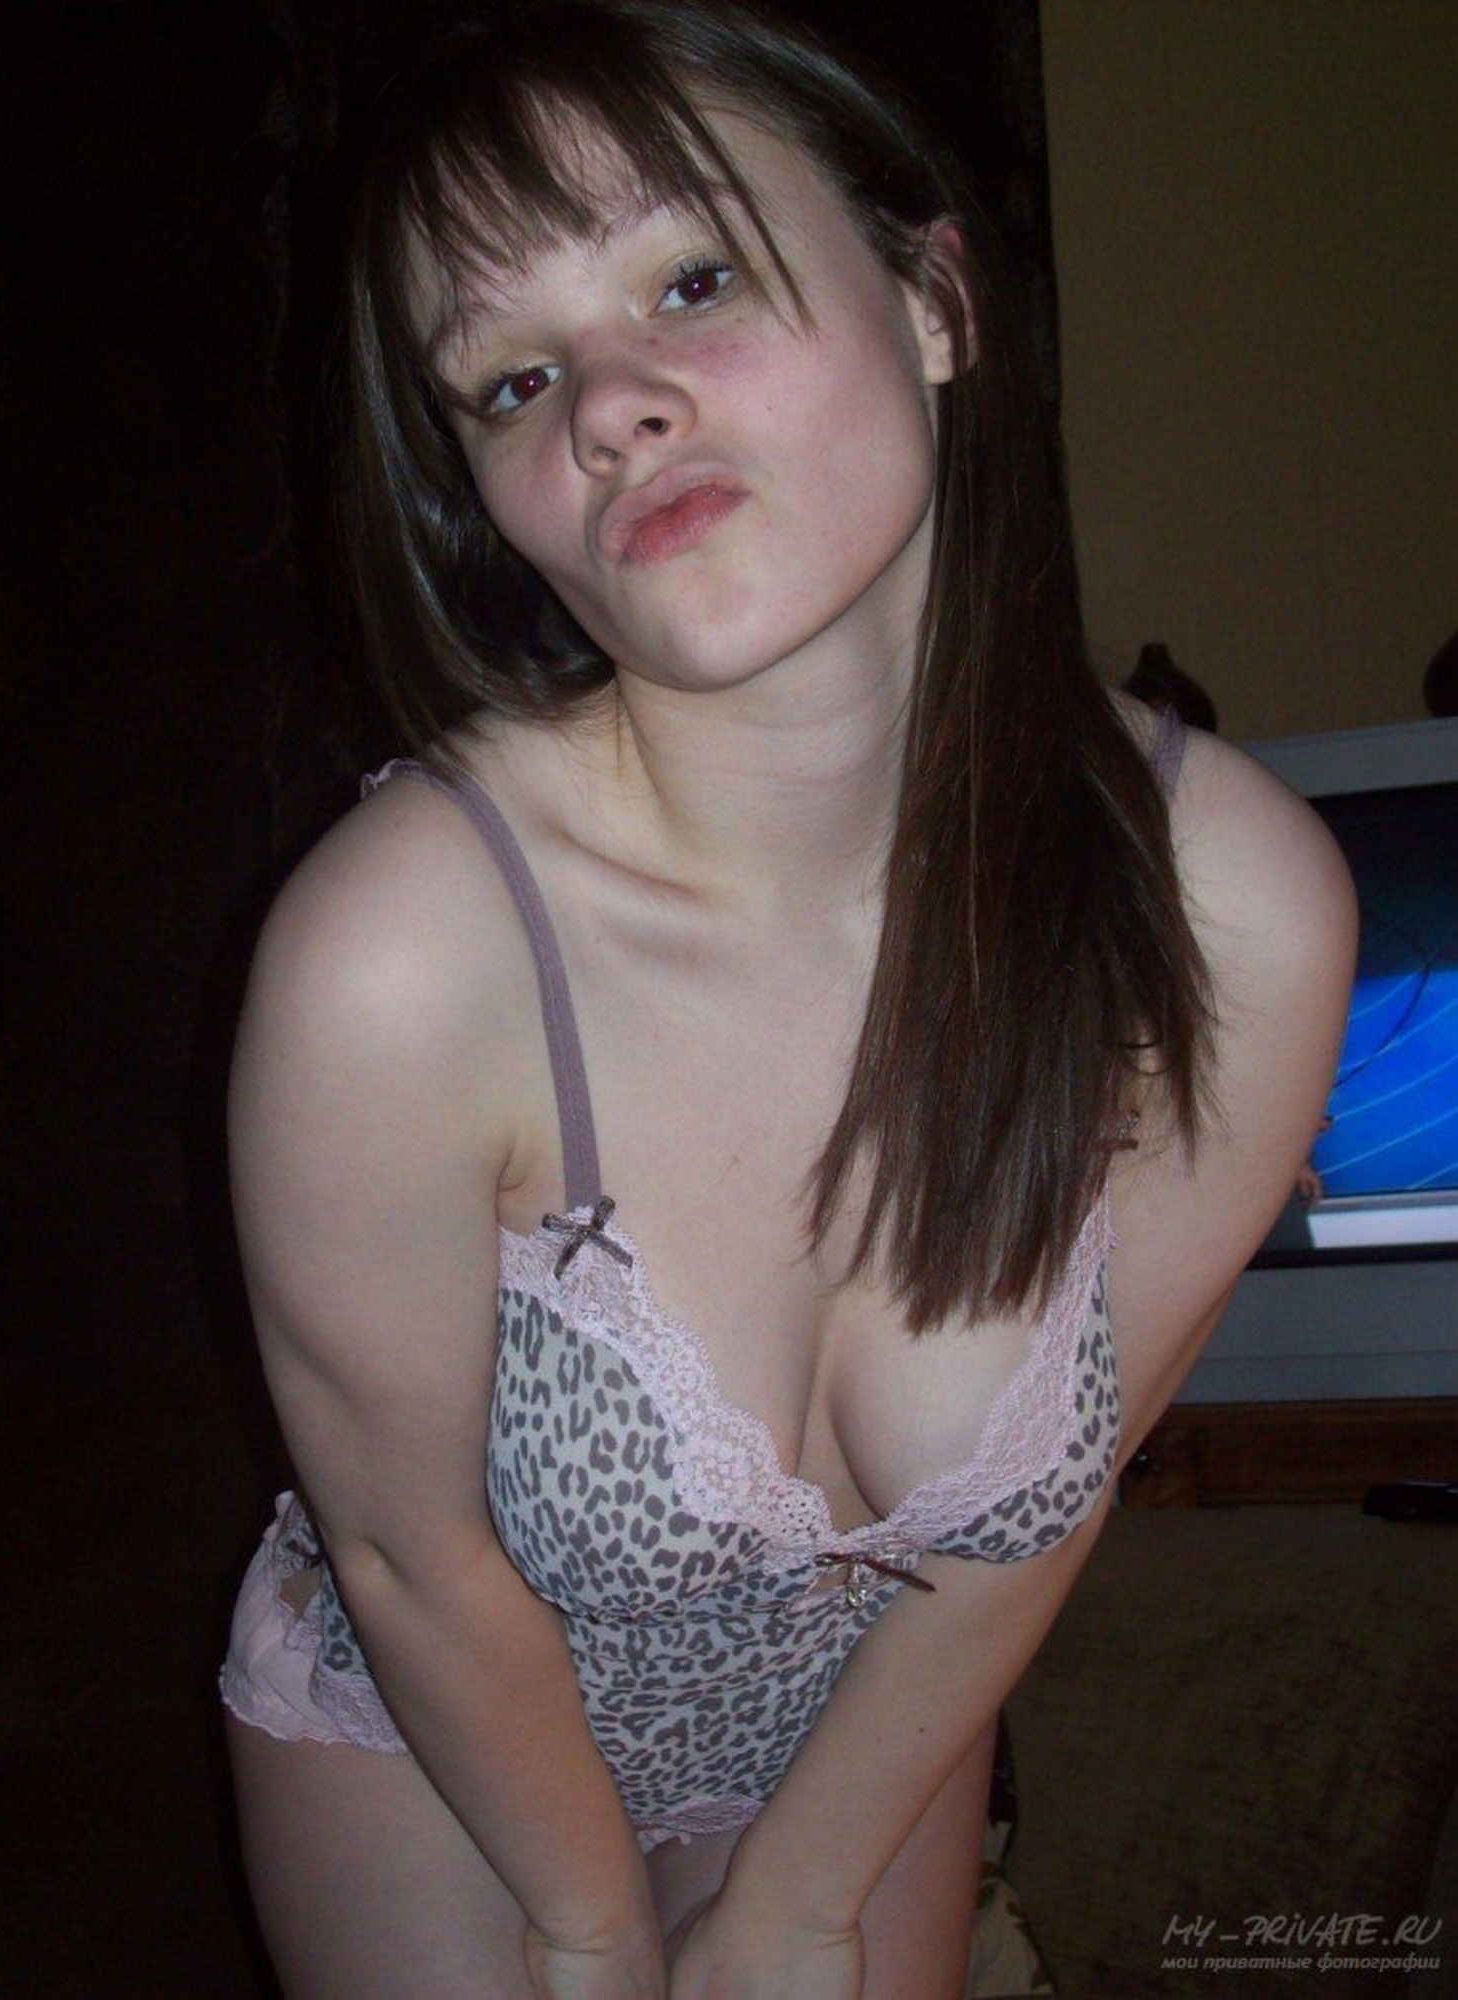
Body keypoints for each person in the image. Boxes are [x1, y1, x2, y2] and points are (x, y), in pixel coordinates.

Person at [218, 3, 1355, 1992]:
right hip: (439, 1746)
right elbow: (409, 1551)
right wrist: (591, 1929)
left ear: (936, 302)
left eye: (693, 279)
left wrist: (806, 1892)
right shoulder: (400, 952)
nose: (609, 409)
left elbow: (1043, 1503)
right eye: (511, 380)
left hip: (855, 1737)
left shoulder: (1234, 907)